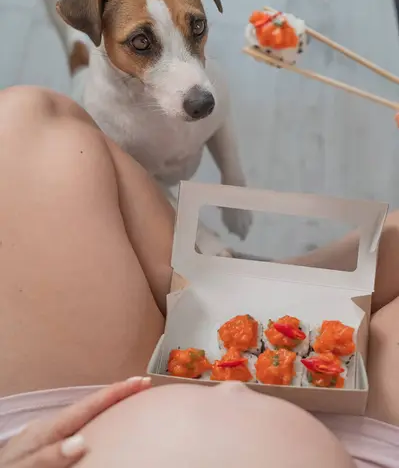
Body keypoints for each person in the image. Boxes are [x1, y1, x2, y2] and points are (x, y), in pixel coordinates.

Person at [0, 86, 398, 467]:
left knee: (28, 119)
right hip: (375, 443)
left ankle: (253, 287)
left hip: (73, 423)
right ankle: (266, 287)